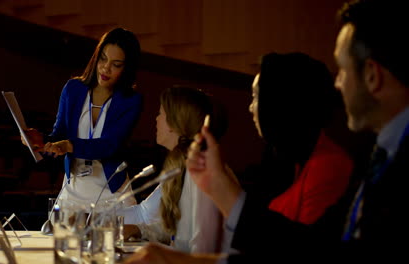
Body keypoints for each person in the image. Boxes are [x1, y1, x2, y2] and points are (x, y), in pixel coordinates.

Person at [123, 0, 409, 262]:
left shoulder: (340, 163)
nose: (338, 84)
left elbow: (306, 254)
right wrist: (221, 189)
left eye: (343, 71)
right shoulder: (378, 154)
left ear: (372, 76)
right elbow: (313, 247)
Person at [24, 27, 142, 210]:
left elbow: (109, 146)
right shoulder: (73, 89)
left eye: (116, 64)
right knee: (59, 236)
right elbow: (59, 135)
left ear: (127, 68)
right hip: (74, 188)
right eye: (102, 58)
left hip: (112, 191)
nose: (105, 68)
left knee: (118, 238)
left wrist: (69, 145)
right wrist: (41, 142)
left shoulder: (131, 101)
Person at [119, 86, 227, 254]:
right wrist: (140, 230)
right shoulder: (179, 165)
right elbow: (178, 229)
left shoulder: (200, 172)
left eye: (160, 113)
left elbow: (201, 251)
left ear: (174, 123)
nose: (156, 119)